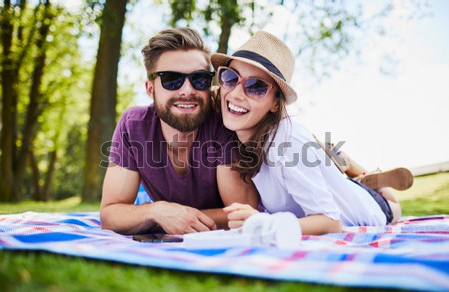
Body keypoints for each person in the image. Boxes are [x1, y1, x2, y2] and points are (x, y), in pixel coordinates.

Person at [210, 31, 413, 235]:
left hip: (370, 206)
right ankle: (347, 169)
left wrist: (266, 224)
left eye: (256, 87)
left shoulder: (287, 143)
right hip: (334, 187)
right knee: (336, 174)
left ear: (275, 103)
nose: (235, 93)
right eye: (229, 77)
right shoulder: (245, 138)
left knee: (393, 207)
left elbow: (331, 222)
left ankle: (367, 179)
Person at [100, 27, 258, 235]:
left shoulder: (224, 120)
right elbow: (110, 214)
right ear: (150, 89)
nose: (187, 90)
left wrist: (176, 218)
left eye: (199, 79)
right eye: (171, 79)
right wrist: (158, 211)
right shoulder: (134, 125)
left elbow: (242, 214)